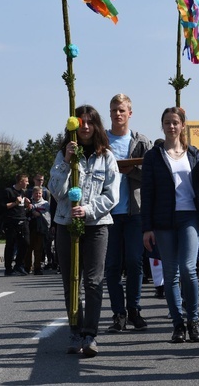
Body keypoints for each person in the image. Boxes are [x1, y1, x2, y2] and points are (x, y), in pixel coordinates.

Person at [49, 105, 120, 358]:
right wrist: (67, 163)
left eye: (90, 122)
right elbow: (56, 191)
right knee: (71, 281)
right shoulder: (63, 155)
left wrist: (88, 210)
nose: (86, 127)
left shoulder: (106, 157)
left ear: (97, 125)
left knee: (92, 281)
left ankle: (90, 334)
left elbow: (112, 196)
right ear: (73, 127)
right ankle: (75, 331)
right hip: (66, 224)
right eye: (81, 122)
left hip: (97, 225)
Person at [142, 107, 199, 344]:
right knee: (171, 274)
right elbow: (147, 193)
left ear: (182, 126)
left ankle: (194, 320)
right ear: (162, 126)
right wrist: (146, 227)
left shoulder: (193, 153)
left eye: (175, 122)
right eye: (167, 123)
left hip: (189, 216)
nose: (171, 126)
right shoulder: (153, 156)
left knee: (189, 269)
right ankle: (178, 324)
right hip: (163, 220)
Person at [104, 94, 152, 333]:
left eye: (122, 110)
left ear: (130, 113)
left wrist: (132, 170)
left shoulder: (141, 141)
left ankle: (134, 308)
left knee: (134, 262)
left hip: (135, 212)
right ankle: (118, 313)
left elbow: (152, 174)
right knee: (112, 265)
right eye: (114, 110)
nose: (117, 114)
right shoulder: (101, 140)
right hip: (108, 213)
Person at [0, 173, 31, 276]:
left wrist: (27, 205)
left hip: (23, 220)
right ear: (21, 181)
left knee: (26, 242)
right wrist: (15, 203)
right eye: (26, 181)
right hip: (11, 222)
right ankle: (8, 268)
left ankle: (19, 265)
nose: (28, 183)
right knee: (11, 245)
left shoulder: (23, 192)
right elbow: (2, 206)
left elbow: (22, 206)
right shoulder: (8, 192)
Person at [24, 186, 51, 275]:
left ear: (42, 194)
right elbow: (24, 214)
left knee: (38, 249)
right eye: (36, 193)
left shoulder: (46, 204)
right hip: (30, 228)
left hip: (41, 229)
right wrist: (28, 209)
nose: (38, 195)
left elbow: (48, 216)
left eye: (39, 193)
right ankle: (27, 267)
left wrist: (39, 214)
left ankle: (37, 267)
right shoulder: (29, 203)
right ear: (33, 194)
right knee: (28, 248)